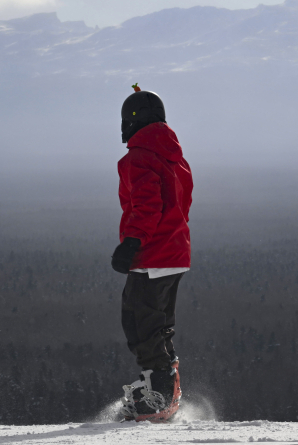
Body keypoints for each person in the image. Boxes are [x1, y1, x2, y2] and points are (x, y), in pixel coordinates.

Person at [112, 84, 193, 422]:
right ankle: (164, 387)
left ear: (132, 121)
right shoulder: (175, 158)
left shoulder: (139, 158)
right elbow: (179, 204)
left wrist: (132, 242)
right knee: (158, 325)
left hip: (152, 256)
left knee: (139, 323)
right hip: (175, 255)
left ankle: (156, 396)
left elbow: (147, 205)